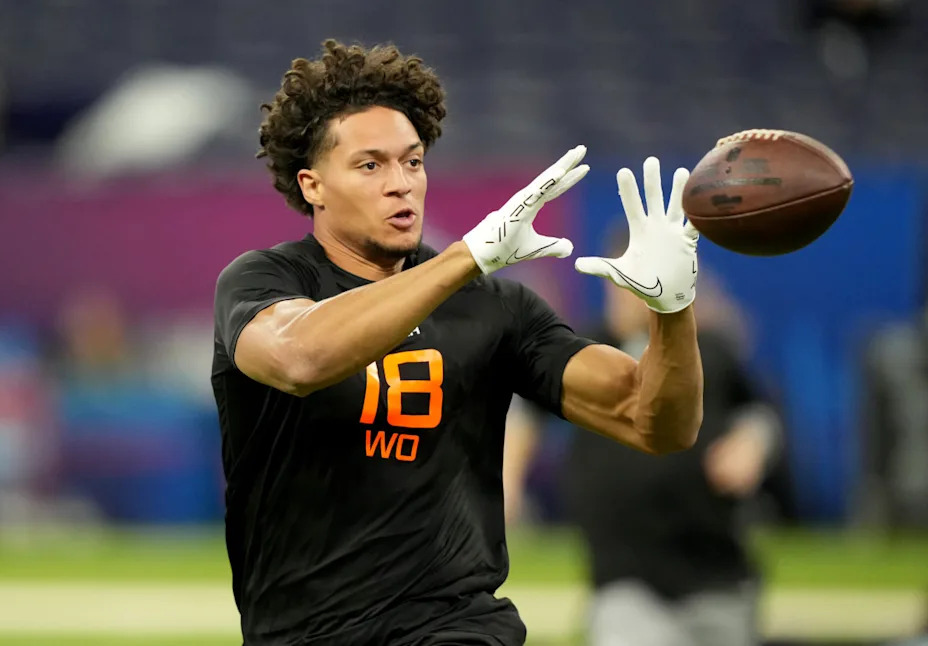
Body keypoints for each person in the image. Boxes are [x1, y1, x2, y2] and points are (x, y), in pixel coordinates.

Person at [211, 39, 704, 646]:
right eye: (370, 166)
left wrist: (672, 313)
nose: (401, 184)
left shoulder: (495, 307)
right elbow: (299, 358)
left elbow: (655, 422)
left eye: (412, 162)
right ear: (313, 185)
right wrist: (467, 257)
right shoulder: (263, 280)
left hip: (458, 626)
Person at [505, 253, 782, 646]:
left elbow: (760, 411)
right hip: (625, 575)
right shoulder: (587, 347)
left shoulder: (707, 350)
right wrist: (508, 480)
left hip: (715, 571)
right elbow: (530, 409)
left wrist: (751, 443)